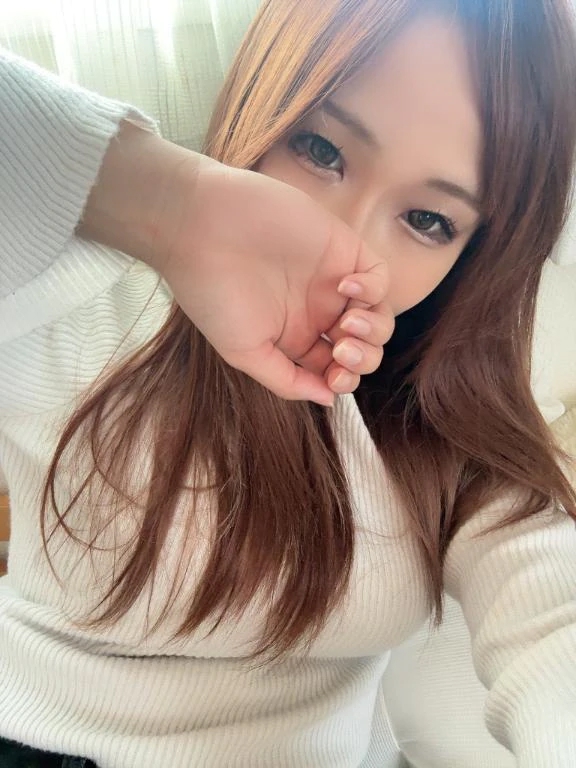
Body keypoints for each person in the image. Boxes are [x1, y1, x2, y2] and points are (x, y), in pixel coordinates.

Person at [1, 1, 576, 768]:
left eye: (427, 220)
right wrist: (171, 202)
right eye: (320, 148)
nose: (344, 249)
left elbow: (554, 624)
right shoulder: (78, 296)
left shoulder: (442, 420)